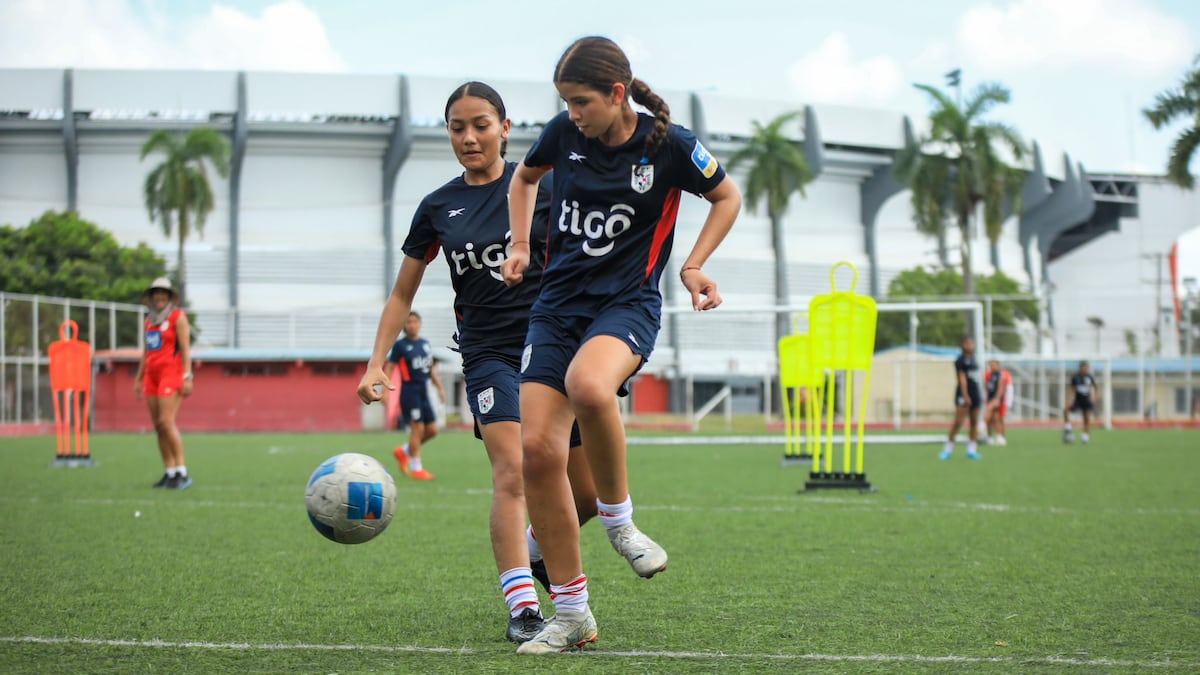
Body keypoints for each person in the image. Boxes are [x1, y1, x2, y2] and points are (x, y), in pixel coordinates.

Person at [500, 36, 742, 655]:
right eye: (565, 103)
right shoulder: (564, 134)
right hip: (556, 307)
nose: (572, 114)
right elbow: (524, 178)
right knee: (537, 451)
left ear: (616, 93)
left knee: (588, 385)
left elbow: (726, 196)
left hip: (625, 304)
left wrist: (693, 265)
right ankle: (573, 614)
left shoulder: (671, 145)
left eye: (581, 102)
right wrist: (522, 244)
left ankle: (619, 521)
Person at [356, 81, 599, 644]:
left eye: (481, 125)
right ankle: (523, 606)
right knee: (513, 472)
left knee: (585, 495)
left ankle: (538, 550)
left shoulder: (547, 185)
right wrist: (376, 362)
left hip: (558, 346)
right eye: (457, 127)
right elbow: (402, 295)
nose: (469, 137)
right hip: (489, 353)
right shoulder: (438, 207)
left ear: (505, 128)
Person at [133, 277, 194, 489]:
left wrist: (188, 376)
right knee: (158, 426)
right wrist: (139, 378)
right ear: (150, 297)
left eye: (163, 293)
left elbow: (186, 350)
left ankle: (182, 471)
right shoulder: (148, 321)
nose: (159, 297)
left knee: (167, 423)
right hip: (151, 375)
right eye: (156, 293)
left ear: (169, 297)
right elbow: (146, 352)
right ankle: (169, 472)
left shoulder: (178, 317)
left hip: (171, 374)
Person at [383, 311, 445, 481]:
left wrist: (439, 388)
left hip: (424, 390)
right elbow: (389, 367)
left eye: (415, 321)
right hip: (410, 391)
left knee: (432, 430)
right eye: (408, 322)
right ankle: (416, 468)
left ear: (420, 323)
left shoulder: (425, 344)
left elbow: (430, 368)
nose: (412, 325)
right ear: (404, 325)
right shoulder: (400, 346)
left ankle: (403, 451)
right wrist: (384, 391)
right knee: (417, 429)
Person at [940, 335, 983, 460]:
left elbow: (976, 378)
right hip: (964, 395)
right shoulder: (960, 361)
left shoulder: (974, 360)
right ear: (962, 345)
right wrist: (965, 395)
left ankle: (971, 450)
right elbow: (962, 379)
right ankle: (947, 450)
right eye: (967, 343)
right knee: (958, 423)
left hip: (975, 394)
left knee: (974, 423)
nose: (970, 345)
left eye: (971, 343)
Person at [1062, 360, 1098, 444]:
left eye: (1086, 368)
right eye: (1083, 368)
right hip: (1077, 399)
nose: (1085, 370)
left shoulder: (1089, 377)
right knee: (1065, 410)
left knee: (1087, 418)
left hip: (1087, 400)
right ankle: (1068, 428)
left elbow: (1096, 388)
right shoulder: (1075, 377)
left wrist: (1094, 397)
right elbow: (1072, 389)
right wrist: (1070, 400)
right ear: (1080, 368)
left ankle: (1085, 437)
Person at [984, 359, 1013, 446]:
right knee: (992, 418)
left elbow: (1008, 387)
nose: (992, 367)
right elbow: (986, 387)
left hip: (1000, 400)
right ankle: (990, 437)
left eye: (994, 365)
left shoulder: (1003, 374)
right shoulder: (988, 375)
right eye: (991, 365)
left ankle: (1001, 437)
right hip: (990, 399)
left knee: (999, 419)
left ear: (998, 365)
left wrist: (1008, 402)